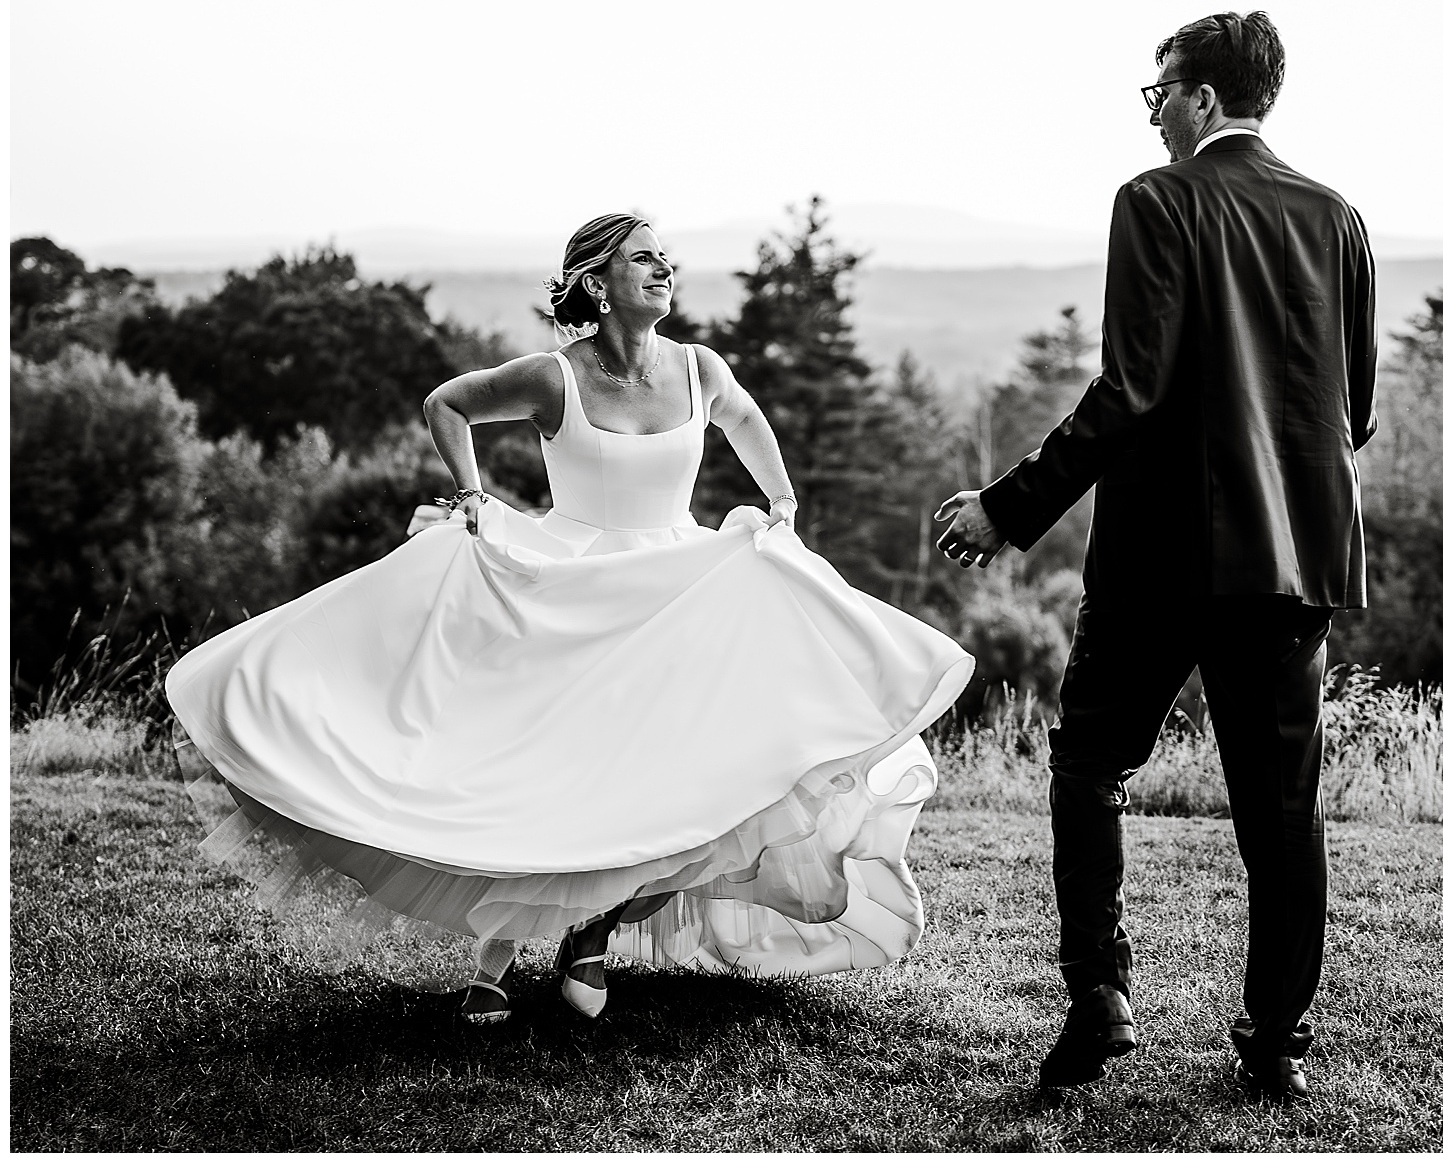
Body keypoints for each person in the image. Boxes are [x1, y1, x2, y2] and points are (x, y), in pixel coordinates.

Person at [167, 213, 973, 1025]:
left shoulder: (700, 368)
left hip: (678, 589)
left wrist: (782, 503)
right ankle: (495, 954)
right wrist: (477, 499)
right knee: (552, 769)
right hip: (573, 586)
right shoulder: (554, 376)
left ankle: (591, 934)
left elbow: (746, 422)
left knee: (673, 772)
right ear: (597, 282)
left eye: (666, 258)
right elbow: (446, 404)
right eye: (644, 259)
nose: (665, 268)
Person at [934, 11, 1378, 1097]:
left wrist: (1008, 507)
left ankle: (1101, 991)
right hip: (1289, 564)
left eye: (1159, 90)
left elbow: (1129, 391)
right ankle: (1275, 1045)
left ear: (1204, 100)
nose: (1152, 110)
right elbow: (1353, 409)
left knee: (1090, 761)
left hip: (1163, 558)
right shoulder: (1341, 218)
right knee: (1282, 813)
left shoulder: (1157, 198)